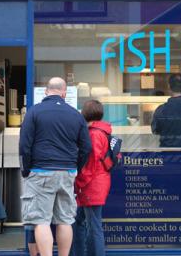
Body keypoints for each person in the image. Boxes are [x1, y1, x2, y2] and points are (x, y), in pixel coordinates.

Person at [19, 77, 92, 256]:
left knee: (41, 221)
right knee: (65, 220)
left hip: (40, 171)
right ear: (64, 92)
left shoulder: (34, 112)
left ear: (46, 91)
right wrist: (75, 167)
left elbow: (24, 146)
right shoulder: (76, 115)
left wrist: (26, 169)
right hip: (67, 172)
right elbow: (86, 148)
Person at [71, 100, 111, 256]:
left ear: (84, 114)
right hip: (97, 182)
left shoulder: (94, 134)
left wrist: (78, 183)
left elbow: (90, 164)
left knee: (94, 226)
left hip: (91, 185)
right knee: (78, 221)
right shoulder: (103, 131)